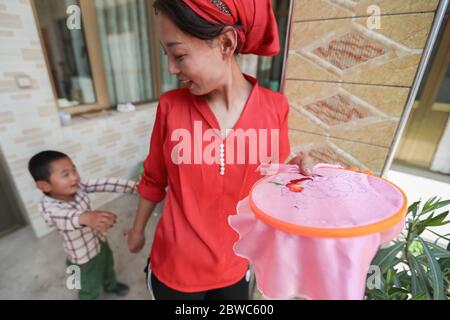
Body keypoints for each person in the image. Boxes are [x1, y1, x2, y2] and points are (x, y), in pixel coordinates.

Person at [126, 0, 309, 300]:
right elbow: (154, 178)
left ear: (226, 43)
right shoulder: (171, 107)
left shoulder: (275, 108)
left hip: (235, 265)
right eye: (167, 55)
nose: (172, 69)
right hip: (175, 268)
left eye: (180, 55)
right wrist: (137, 230)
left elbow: (272, 182)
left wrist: (298, 174)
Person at [28, 150, 137, 300]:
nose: (74, 177)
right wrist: (85, 217)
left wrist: (135, 186)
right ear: (44, 185)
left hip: (99, 242)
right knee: (86, 285)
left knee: (107, 267)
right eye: (65, 174)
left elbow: (104, 183)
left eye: (74, 170)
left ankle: (111, 285)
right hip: (81, 257)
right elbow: (65, 217)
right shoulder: (48, 207)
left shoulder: (78, 186)